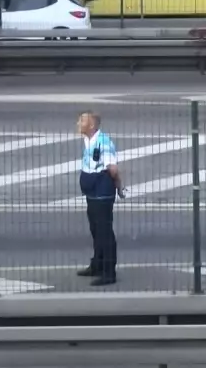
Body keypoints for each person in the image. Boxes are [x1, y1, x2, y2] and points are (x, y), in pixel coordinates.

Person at [76, 111, 125, 286]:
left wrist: (119, 187)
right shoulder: (88, 139)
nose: (78, 123)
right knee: (95, 229)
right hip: (92, 192)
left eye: (82, 120)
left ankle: (109, 272)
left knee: (104, 232)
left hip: (102, 193)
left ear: (92, 125)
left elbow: (113, 169)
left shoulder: (103, 142)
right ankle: (97, 264)